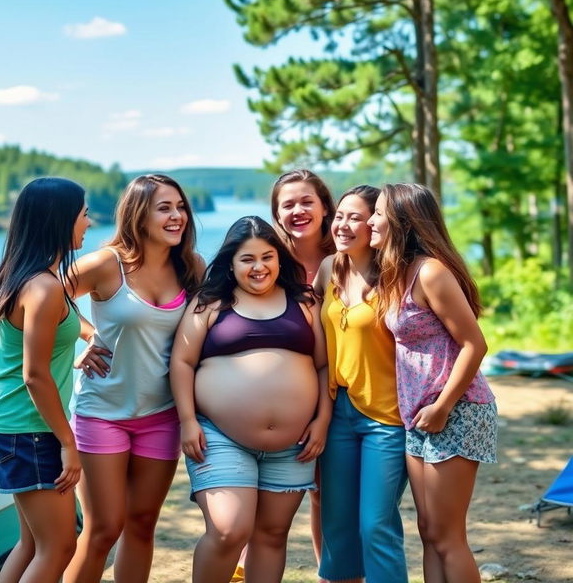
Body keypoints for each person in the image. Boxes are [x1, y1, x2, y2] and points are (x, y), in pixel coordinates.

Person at [170, 216, 332, 583]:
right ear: (231, 262)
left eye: (267, 257)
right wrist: (187, 420)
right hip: (219, 436)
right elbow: (181, 361)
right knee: (229, 530)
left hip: (295, 444)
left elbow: (323, 367)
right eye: (247, 259)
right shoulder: (210, 303)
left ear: (279, 259)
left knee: (272, 535)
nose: (259, 267)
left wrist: (322, 419)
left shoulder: (304, 301)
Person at [63, 174, 204, 583]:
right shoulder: (107, 264)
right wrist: (86, 336)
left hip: (161, 416)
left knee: (141, 527)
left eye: (180, 207)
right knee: (103, 530)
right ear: (139, 214)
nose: (177, 216)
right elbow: (43, 296)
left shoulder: (191, 267)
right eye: (165, 208)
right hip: (101, 413)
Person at [368, 183, 497, 583]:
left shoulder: (431, 272)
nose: (370, 220)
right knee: (429, 532)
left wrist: (442, 407)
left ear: (402, 221)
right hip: (419, 414)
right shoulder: (396, 273)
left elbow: (475, 344)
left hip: (456, 409)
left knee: (447, 535)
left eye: (377, 212)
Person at [0, 177, 90, 583]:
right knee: (60, 546)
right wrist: (68, 443)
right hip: (29, 431)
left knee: (32, 545)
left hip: (7, 423)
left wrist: (89, 333)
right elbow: (36, 375)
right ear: (58, 221)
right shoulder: (44, 288)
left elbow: (59, 327)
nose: (89, 224)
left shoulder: (25, 275)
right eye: (84, 214)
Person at [313, 185, 408, 583]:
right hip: (338, 413)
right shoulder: (328, 269)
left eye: (355, 217)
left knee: (375, 524)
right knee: (337, 525)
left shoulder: (398, 275)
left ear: (374, 224)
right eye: (339, 216)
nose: (343, 225)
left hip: (387, 418)